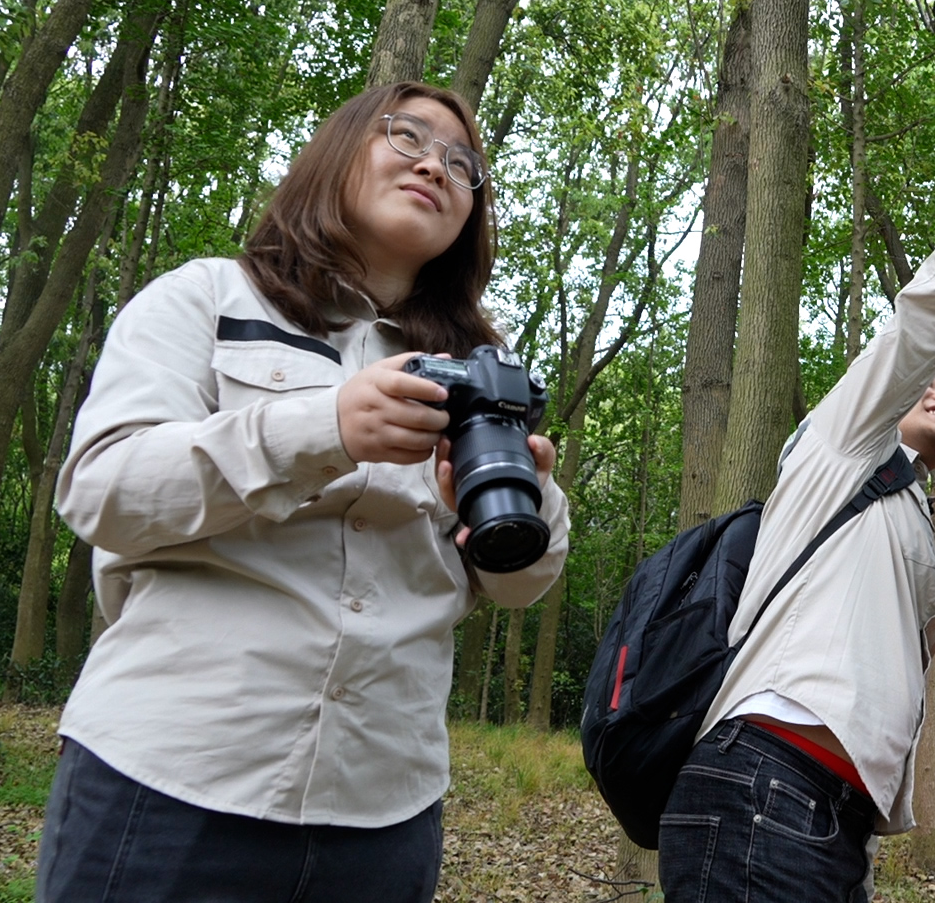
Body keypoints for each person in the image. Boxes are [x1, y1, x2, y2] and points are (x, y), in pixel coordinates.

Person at [38, 82, 570, 902]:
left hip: (385, 813)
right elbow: (102, 492)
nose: (435, 163)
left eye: (464, 164)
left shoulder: (481, 373)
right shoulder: (208, 297)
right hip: (171, 779)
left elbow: (519, 585)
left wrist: (521, 497)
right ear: (338, 149)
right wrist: (323, 430)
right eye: (407, 136)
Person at [657, 41, 935, 902]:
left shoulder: (906, 509)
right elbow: (928, 319)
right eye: (931, 385)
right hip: (765, 782)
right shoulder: (842, 438)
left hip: (823, 816)